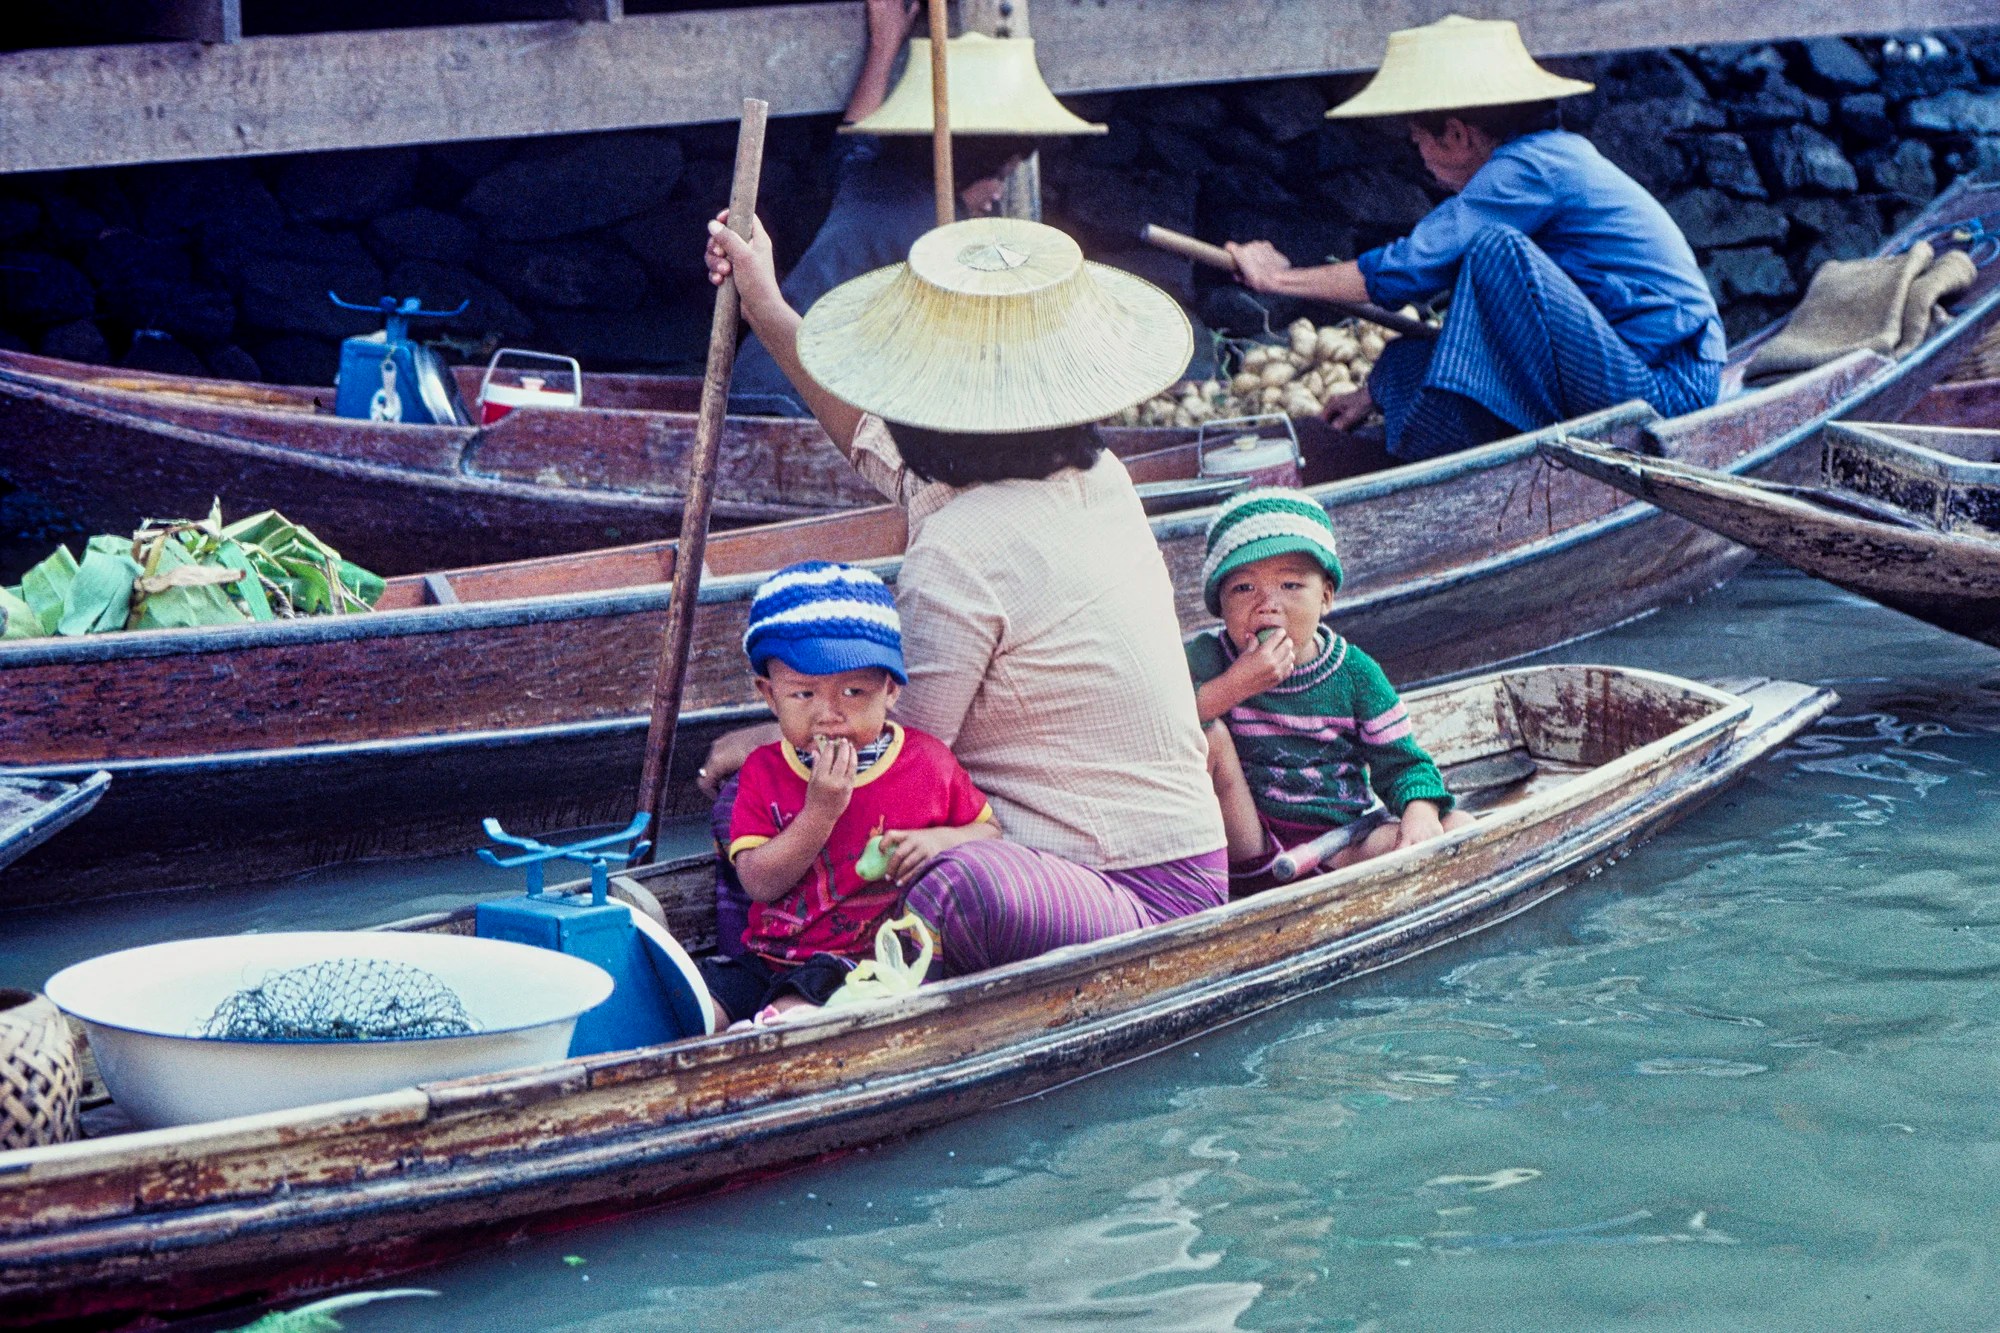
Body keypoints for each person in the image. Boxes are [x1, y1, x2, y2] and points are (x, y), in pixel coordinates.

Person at [701, 210, 1228, 979]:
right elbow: (877, 447)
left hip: (1128, 894)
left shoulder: (960, 545)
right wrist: (765, 305)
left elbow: (892, 744)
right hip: (1091, 865)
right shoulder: (1096, 475)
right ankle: (768, 969)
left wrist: (762, 737)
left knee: (949, 880)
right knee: (749, 803)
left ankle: (820, 986)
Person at [1225, 15, 1725, 464]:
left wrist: (1278, 279)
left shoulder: (1529, 168)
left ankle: (1506, 452)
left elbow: (1405, 270)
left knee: (1495, 252)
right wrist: (1373, 392)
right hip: (1624, 368)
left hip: (1666, 387)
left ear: (1457, 136)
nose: (1420, 156)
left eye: (1419, 140)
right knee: (1403, 363)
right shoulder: (1549, 156)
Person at [700, 560, 999, 1026]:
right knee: (696, 1006)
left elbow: (991, 833)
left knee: (793, 1015)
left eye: (854, 691)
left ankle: (762, 1037)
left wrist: (940, 841)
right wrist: (819, 813)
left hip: (857, 968)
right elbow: (758, 883)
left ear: (891, 691)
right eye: (803, 695)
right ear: (769, 695)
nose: (829, 714)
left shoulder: (927, 763)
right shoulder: (763, 770)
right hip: (764, 957)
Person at [730, 0, 1043, 414]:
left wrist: (885, 44)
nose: (999, 194)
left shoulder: (869, 177)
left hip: (753, 379)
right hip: (800, 404)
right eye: (1002, 175)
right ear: (968, 167)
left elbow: (855, 136)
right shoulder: (940, 240)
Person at [1189, 487, 1472, 877]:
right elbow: (1158, 722)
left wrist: (1420, 811)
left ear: (1325, 598)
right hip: (1247, 844)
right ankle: (1234, 881)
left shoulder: (1355, 673)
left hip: (1339, 846)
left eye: (1290, 585)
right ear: (1219, 606)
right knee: (1206, 731)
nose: (1267, 604)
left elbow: (1404, 765)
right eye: (1243, 588)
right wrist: (1235, 685)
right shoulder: (1210, 658)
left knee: (1458, 827)